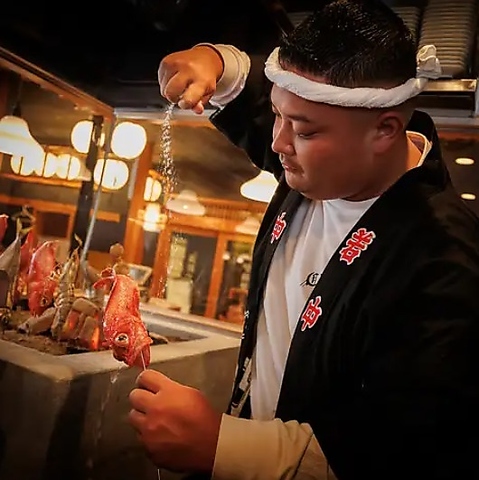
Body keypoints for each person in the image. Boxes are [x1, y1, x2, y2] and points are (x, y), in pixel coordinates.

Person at [128, 1, 479, 479]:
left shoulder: (444, 260)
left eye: (305, 131)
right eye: (278, 114)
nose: (278, 143)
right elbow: (258, 101)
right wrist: (214, 60)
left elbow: (404, 445)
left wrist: (221, 445)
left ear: (385, 130)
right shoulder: (324, 161)